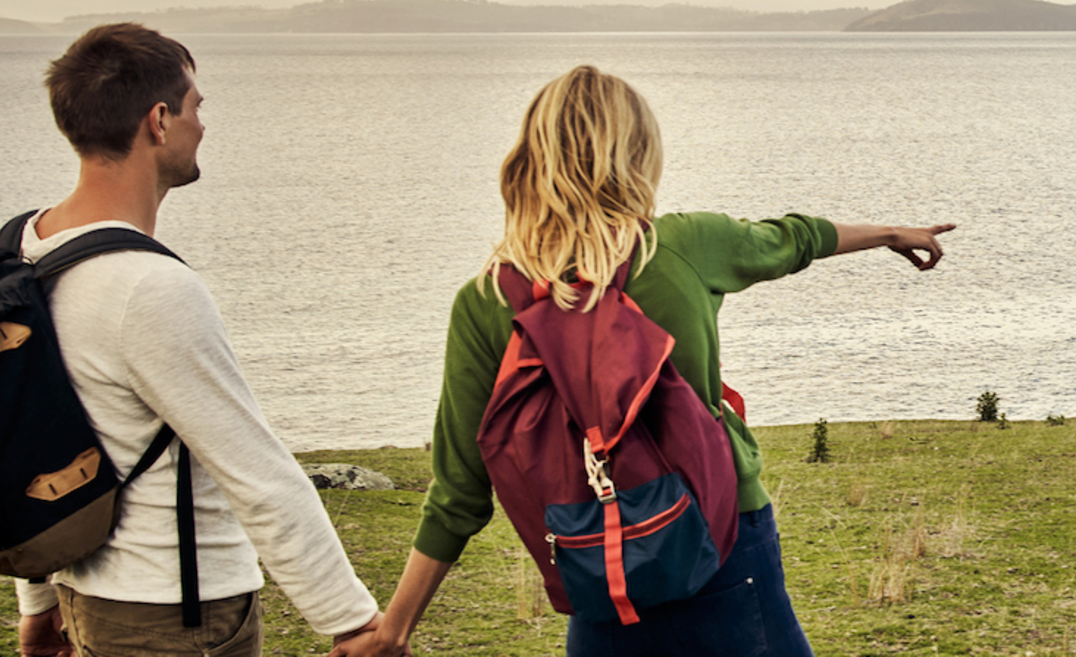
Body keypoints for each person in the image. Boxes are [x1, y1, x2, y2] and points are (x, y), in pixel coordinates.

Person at [329, 65, 955, 657]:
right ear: (638, 156)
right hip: (723, 532)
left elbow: (459, 491)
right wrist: (891, 233)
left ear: (529, 160)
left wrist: (396, 628)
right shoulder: (685, 245)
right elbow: (794, 239)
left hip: (593, 554)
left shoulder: (489, 300)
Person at [14, 23, 382, 657]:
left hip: (88, 600)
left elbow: (24, 436)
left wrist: (39, 601)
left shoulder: (21, 250)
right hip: (179, 619)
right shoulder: (148, 288)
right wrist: (350, 622)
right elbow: (258, 474)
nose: (202, 124)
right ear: (158, 120)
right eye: (196, 105)